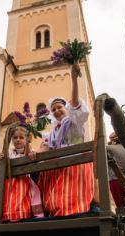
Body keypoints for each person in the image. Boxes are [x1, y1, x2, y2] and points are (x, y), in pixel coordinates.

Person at [38, 64, 95, 217]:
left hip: (75, 163)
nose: (57, 111)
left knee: (70, 201)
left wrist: (74, 79)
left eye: (59, 107)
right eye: (54, 109)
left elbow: (75, 104)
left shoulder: (74, 122)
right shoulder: (52, 133)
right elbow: (44, 148)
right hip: (58, 167)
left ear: (66, 108)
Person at [0, 125, 44, 222]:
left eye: (21, 137)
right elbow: (3, 166)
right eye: (15, 137)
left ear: (27, 139)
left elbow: (36, 163)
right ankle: (6, 215)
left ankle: (18, 214)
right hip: (10, 182)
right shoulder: (10, 153)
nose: (18, 140)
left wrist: (32, 155)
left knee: (20, 194)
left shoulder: (30, 151)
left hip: (23, 181)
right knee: (7, 193)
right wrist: (3, 159)